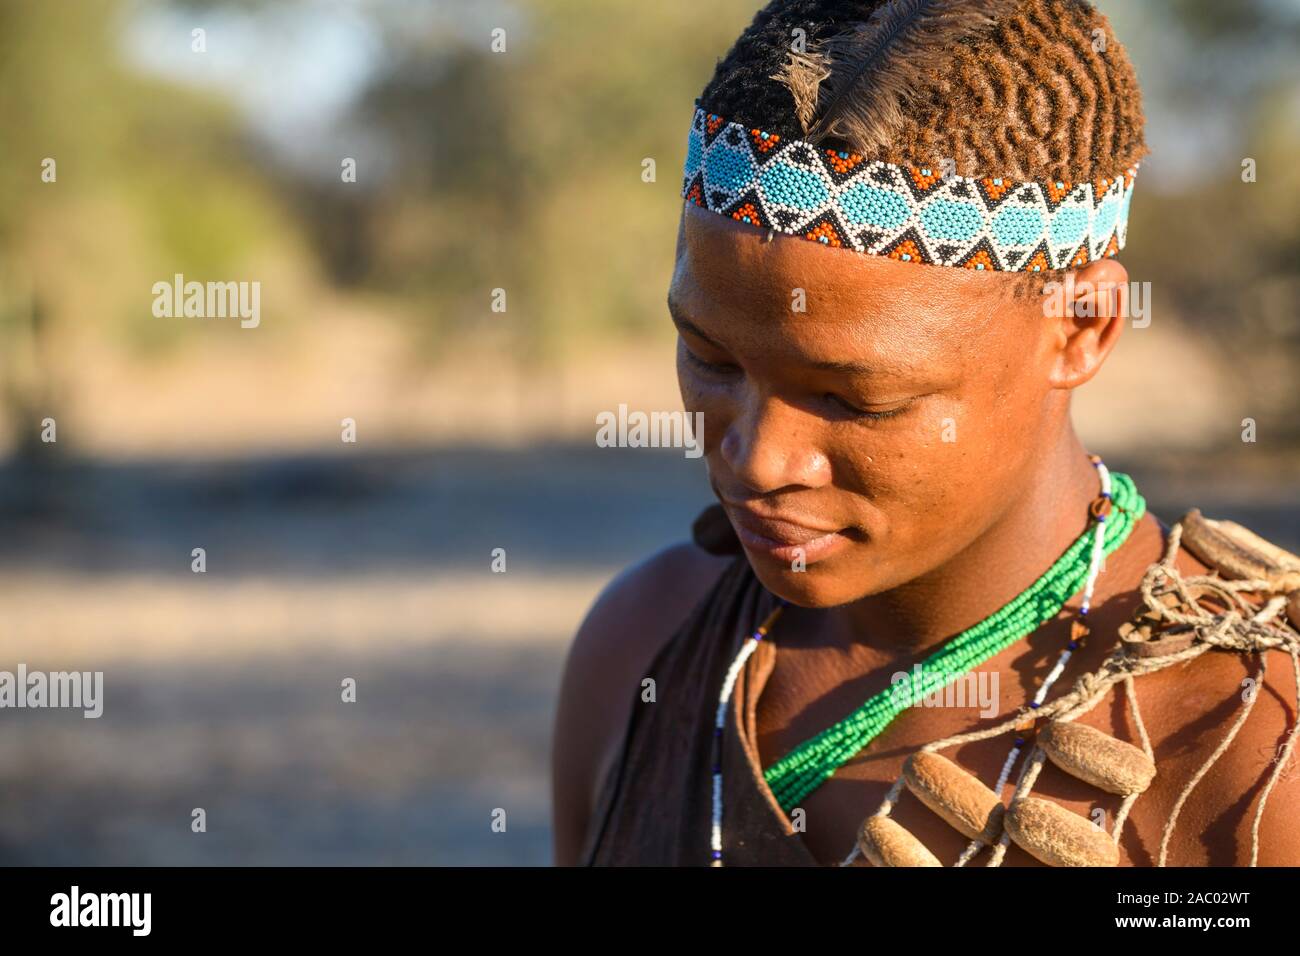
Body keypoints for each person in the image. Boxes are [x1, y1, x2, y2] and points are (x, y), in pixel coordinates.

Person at [551, 0, 1300, 867]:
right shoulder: (647, 642)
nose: (756, 459)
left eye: (854, 400)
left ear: (1082, 327)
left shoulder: (1250, 751)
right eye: (711, 359)